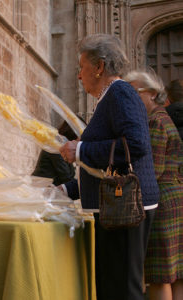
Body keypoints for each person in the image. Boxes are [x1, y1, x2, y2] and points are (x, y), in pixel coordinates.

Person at [59, 34, 159, 300]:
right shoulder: (112, 96)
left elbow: (135, 145)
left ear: (99, 66)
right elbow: (107, 168)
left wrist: (80, 150)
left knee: (123, 289)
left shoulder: (120, 92)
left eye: (82, 67)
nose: (79, 76)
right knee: (113, 286)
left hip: (127, 207)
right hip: (117, 207)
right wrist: (67, 189)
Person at [124, 71, 183, 300]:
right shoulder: (162, 118)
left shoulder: (155, 121)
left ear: (152, 93)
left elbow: (153, 171)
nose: (130, 98)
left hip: (165, 204)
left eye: (134, 92)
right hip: (175, 198)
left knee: (160, 276)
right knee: (176, 274)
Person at [32, 119, 85, 186]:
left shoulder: (62, 143)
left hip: (47, 188)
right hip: (41, 189)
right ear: (74, 132)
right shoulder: (57, 145)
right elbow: (66, 177)